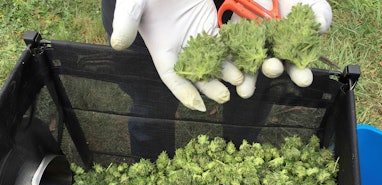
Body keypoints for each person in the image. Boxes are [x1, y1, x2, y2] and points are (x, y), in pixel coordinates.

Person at [101, 0, 332, 160]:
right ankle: (150, 167)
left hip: (250, 10)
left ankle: (243, 151)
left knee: (252, 82)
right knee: (150, 95)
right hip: (159, 12)